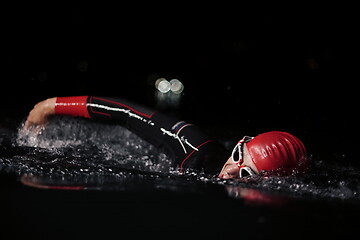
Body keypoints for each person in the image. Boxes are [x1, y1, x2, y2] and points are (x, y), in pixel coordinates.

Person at [24, 96, 308, 179]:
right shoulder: (197, 149)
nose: (232, 171)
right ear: (238, 145)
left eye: (247, 174)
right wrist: (51, 106)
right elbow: (126, 113)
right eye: (237, 157)